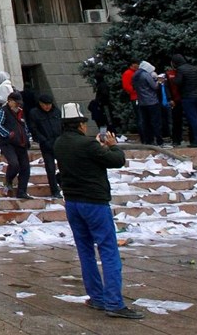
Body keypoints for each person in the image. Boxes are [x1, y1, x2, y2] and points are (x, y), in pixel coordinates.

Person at [55, 102, 145, 319]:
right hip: (94, 202)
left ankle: (96, 297)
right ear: (80, 125)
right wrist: (112, 146)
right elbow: (117, 161)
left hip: (73, 203)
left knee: (85, 251)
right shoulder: (88, 145)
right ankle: (114, 303)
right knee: (108, 250)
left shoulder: (59, 144)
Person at [25, 93, 63, 198]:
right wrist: (43, 140)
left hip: (59, 143)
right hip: (46, 144)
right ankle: (54, 190)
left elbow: (62, 126)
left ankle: (61, 182)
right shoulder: (35, 113)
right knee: (50, 168)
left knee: (64, 167)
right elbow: (34, 129)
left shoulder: (56, 112)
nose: (47, 107)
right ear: (40, 104)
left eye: (49, 104)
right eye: (45, 104)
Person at [0, 91, 31, 199]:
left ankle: (22, 191)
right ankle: (9, 180)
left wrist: (27, 136)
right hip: (8, 144)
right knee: (14, 164)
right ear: (10, 101)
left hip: (21, 144)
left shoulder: (21, 112)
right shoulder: (3, 111)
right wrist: (8, 134)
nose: (18, 105)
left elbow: (25, 126)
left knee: (25, 168)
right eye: (16, 102)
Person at [131, 61, 164, 146]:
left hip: (142, 102)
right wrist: (159, 81)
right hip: (152, 102)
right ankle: (159, 140)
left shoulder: (135, 75)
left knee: (146, 122)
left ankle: (148, 140)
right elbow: (155, 86)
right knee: (156, 122)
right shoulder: (145, 75)